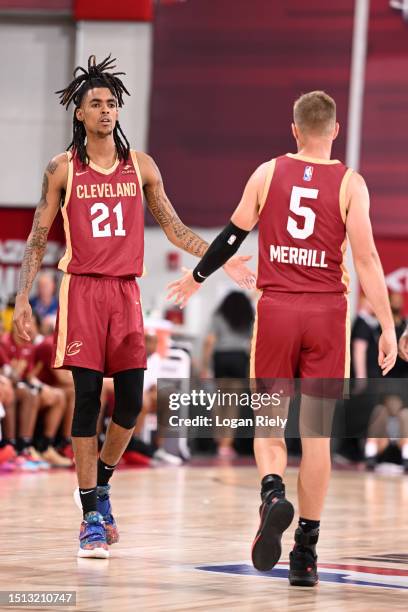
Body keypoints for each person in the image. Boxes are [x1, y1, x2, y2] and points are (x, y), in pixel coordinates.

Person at [13, 55, 253, 558]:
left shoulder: (140, 165)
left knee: (127, 402)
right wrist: (22, 297)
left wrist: (221, 258)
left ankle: (101, 484)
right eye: (95, 104)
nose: (106, 110)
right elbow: (37, 238)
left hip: (125, 292)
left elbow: (173, 225)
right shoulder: (62, 168)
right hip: (81, 290)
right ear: (78, 113)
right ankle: (89, 518)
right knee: (83, 400)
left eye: (112, 103)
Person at [167, 90, 398, 586]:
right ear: (334, 130)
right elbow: (367, 261)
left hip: (276, 312)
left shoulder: (268, 172)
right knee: (316, 438)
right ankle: (305, 555)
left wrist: (197, 278)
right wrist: (387, 325)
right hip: (326, 317)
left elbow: (232, 234)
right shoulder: (350, 184)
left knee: (268, 424)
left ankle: (273, 493)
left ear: (294, 129)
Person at [201, 291, 254, 457]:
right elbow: (253, 341)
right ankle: (226, 444)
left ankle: (218, 438)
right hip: (239, 358)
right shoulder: (248, 315)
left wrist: (205, 365)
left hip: (221, 358)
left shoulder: (219, 314)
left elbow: (209, 340)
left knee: (220, 400)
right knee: (233, 404)